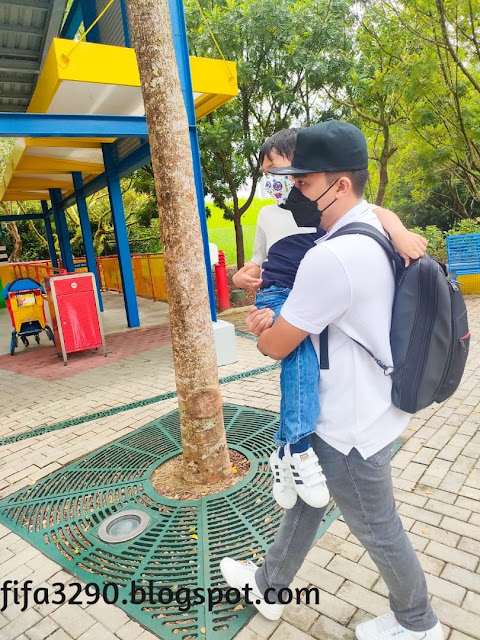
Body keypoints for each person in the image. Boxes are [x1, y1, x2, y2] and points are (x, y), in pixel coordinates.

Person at [221, 120, 443, 640]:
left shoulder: (332, 256)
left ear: (339, 185)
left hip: (349, 425)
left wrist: (263, 327)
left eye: (303, 182)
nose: (293, 192)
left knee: (378, 527)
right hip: (366, 403)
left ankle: (417, 623)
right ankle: (269, 585)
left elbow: (276, 345)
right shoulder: (371, 230)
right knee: (307, 501)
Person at [233, 128, 427, 512]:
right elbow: (259, 261)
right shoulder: (275, 215)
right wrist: (242, 278)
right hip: (281, 295)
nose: (280, 182)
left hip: (346, 404)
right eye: (269, 173)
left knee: (295, 355)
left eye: (289, 174)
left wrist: (401, 231)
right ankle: (294, 448)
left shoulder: (332, 223)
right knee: (299, 357)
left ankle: (289, 448)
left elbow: (372, 210)